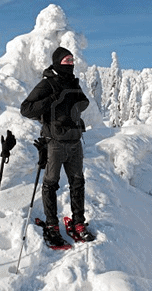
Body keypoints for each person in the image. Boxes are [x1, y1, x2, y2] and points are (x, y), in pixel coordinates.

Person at [20, 46, 95, 246]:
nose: (70, 64)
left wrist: (73, 109)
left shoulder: (73, 82)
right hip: (54, 143)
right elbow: (26, 109)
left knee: (78, 183)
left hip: (74, 142)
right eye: (66, 61)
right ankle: (52, 226)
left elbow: (83, 103)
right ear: (57, 62)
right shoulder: (48, 84)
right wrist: (52, 100)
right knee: (51, 184)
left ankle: (79, 224)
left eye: (72, 60)